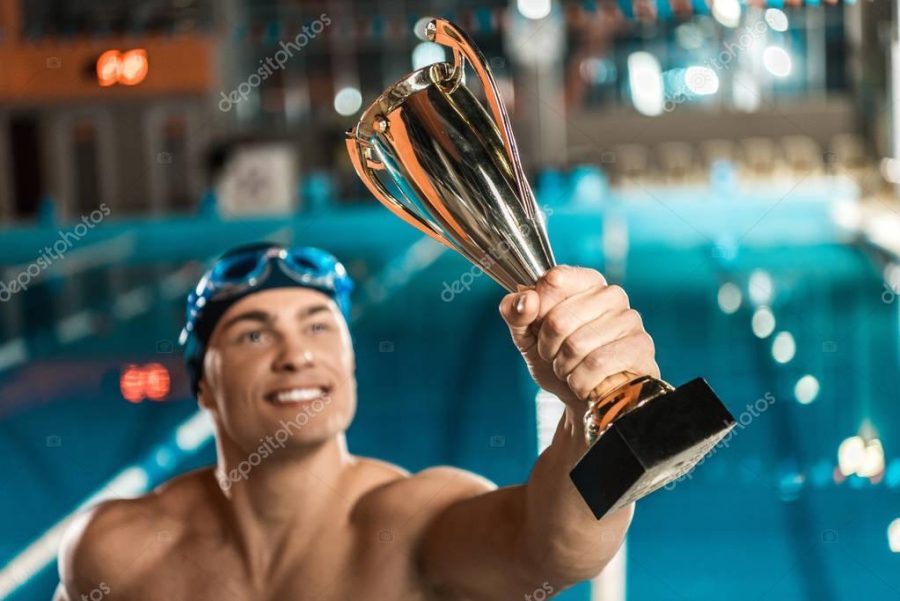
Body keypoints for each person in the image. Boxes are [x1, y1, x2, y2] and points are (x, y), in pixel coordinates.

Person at [55, 241, 658, 600]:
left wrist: (593, 415)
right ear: (204, 387)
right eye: (254, 333)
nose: (297, 355)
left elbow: (549, 550)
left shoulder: (410, 523)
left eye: (319, 327)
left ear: (348, 362)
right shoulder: (117, 551)